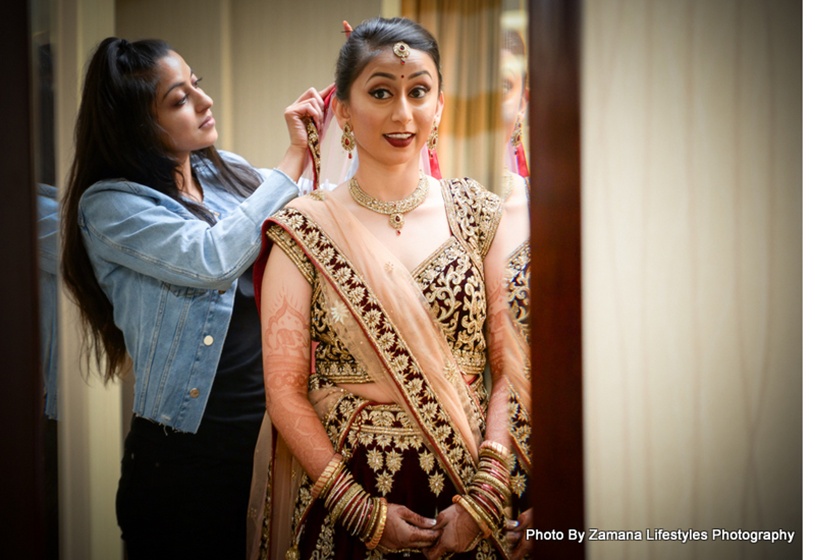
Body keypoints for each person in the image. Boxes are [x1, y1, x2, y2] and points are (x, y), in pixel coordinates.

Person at [251, 17, 522, 560]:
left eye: (418, 91)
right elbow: (284, 391)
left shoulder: (478, 215)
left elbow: (509, 368)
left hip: (466, 487)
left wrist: (490, 491)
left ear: (440, 105)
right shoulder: (304, 228)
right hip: (347, 501)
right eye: (381, 92)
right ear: (345, 112)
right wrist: (357, 510)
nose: (403, 113)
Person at [60, 37, 326, 559]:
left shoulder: (222, 171)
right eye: (179, 100)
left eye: (196, 87)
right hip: (183, 462)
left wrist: (342, 112)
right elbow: (211, 258)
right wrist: (293, 156)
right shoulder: (110, 205)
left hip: (262, 442)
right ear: (137, 123)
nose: (203, 103)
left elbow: (310, 221)